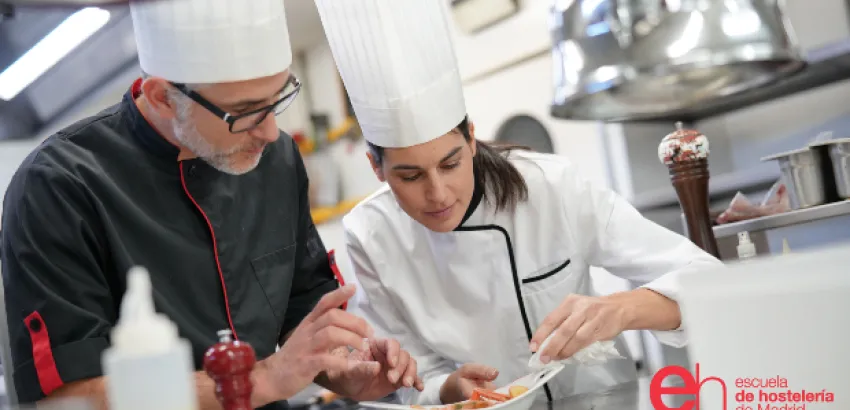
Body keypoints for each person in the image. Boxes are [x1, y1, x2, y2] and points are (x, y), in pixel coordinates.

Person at [0, 0, 422, 409]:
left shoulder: (276, 160)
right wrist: (264, 378)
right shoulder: (60, 184)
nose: (272, 133)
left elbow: (304, 313)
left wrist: (349, 369)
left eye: (278, 98)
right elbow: (71, 397)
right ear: (164, 97)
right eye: (244, 113)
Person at [313, 0, 725, 405]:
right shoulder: (370, 233)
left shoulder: (550, 185)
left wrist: (624, 308)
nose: (437, 193)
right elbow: (410, 373)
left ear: (471, 139)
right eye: (410, 175)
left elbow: (707, 281)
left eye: (451, 163)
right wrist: (451, 388)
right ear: (376, 167)